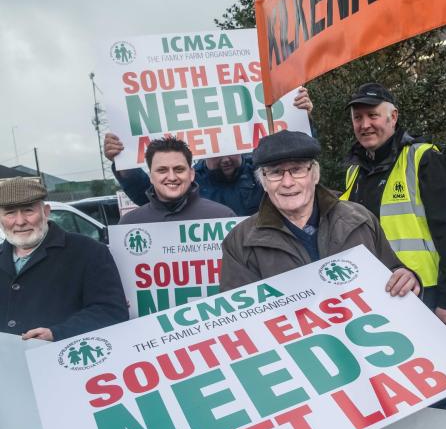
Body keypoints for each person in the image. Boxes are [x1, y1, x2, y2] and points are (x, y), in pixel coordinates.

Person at [220, 130, 420, 299]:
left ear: (314, 174)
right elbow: (243, 316)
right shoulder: (240, 241)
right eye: (275, 173)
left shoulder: (359, 219)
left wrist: (405, 276)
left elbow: (392, 272)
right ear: (263, 181)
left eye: (297, 170)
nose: (287, 182)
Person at [340, 83, 446, 329]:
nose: (365, 124)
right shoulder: (354, 172)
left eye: (372, 115)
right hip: (373, 296)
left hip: (424, 296)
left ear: (393, 117)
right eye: (358, 118)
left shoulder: (423, 158)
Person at [104, 87, 314, 216]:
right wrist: (123, 159)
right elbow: (147, 195)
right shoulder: (189, 180)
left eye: (231, 150)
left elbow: (296, 158)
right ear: (203, 149)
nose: (225, 158)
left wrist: (301, 117)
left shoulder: (262, 171)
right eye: (217, 153)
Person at [0, 177, 128, 341]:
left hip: (62, 361)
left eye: (28, 211)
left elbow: (111, 311)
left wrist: (57, 333)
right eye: (10, 213)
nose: (20, 222)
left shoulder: (88, 251)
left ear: (46, 211)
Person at [118, 137, 235, 224]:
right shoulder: (129, 224)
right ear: (151, 177)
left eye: (179, 169)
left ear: (191, 174)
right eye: (162, 170)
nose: (172, 177)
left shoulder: (224, 217)